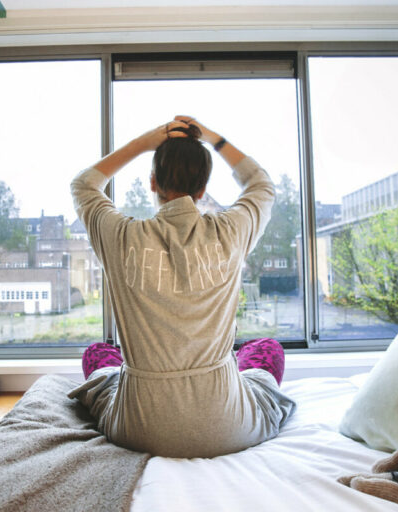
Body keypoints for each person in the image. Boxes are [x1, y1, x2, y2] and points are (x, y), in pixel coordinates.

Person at [68, 115, 296, 458]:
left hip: (137, 429)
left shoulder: (121, 236)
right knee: (266, 350)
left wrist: (144, 143)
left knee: (98, 355)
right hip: (228, 427)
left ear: (152, 182)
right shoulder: (230, 232)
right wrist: (213, 138)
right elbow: (261, 184)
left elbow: (84, 185)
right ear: (203, 189)